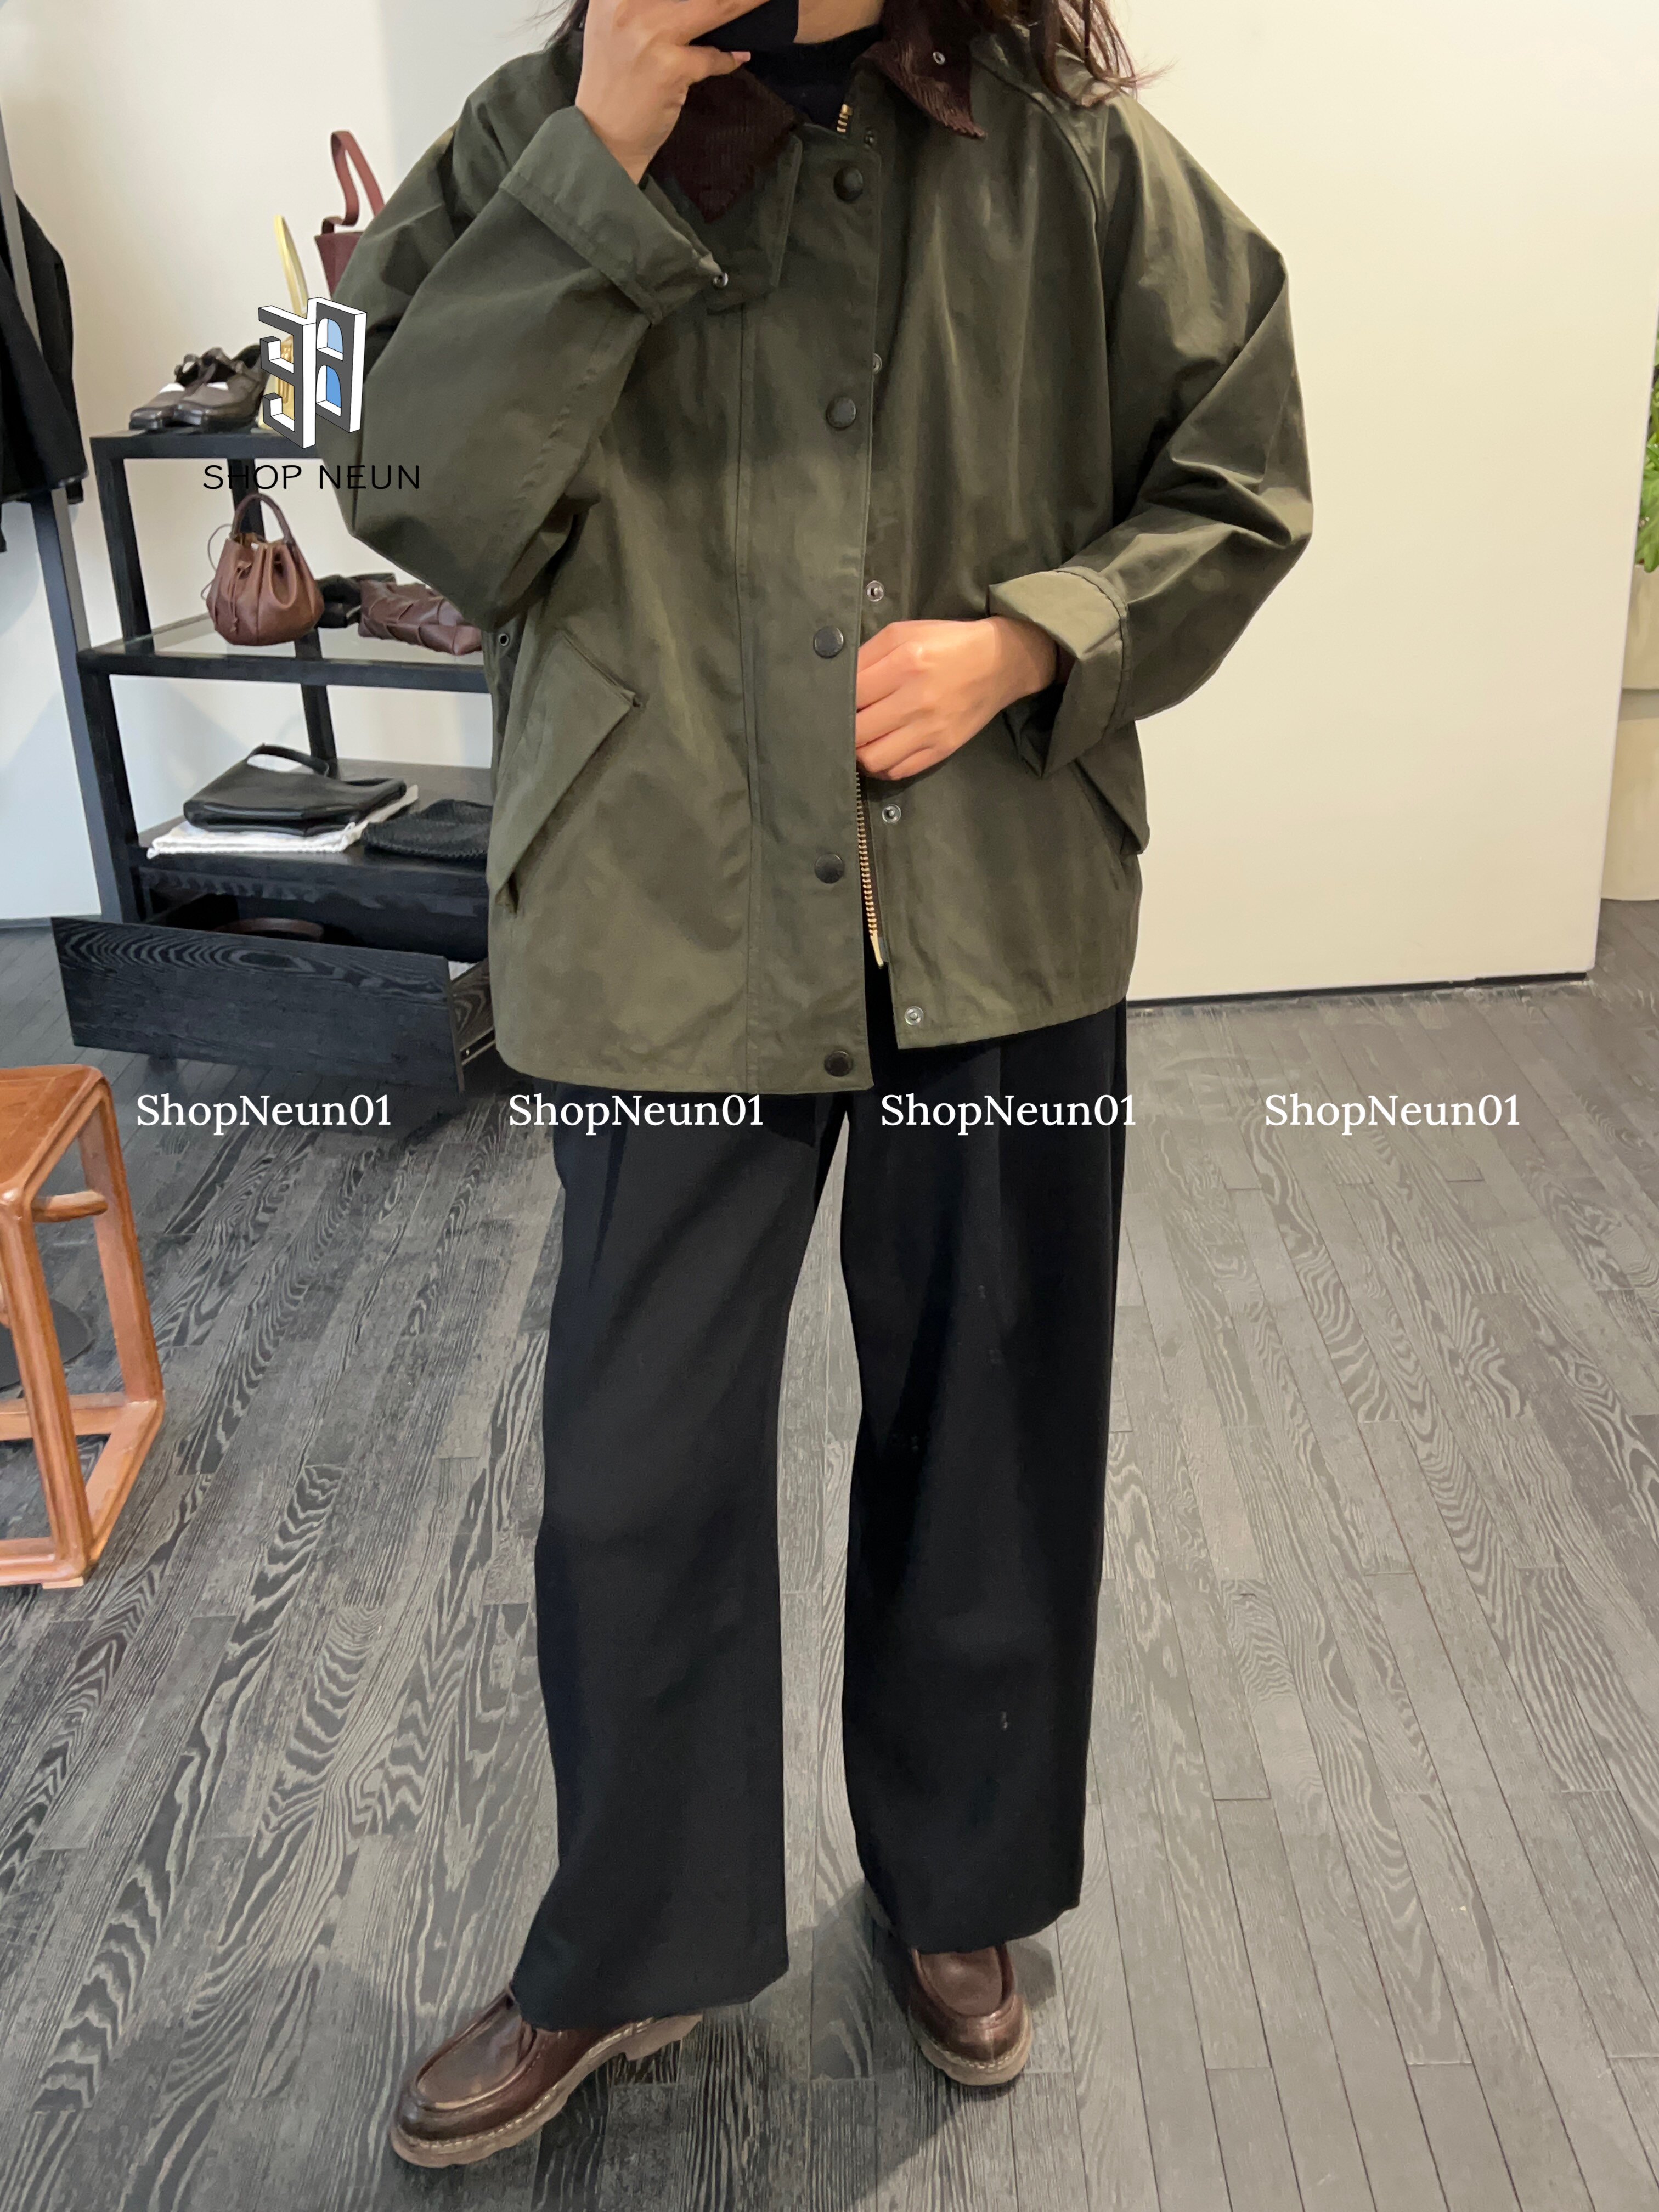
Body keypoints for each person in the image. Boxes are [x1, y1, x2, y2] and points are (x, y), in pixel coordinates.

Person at [321, 0, 1311, 2168]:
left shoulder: (1058, 147)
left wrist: (1034, 635)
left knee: (993, 1429)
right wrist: (599, 159)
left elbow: (1239, 468)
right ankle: (630, 1943)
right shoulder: (538, 126)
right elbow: (413, 502)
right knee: (633, 1472)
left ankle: (956, 1888)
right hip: (657, 906)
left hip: (994, 907)